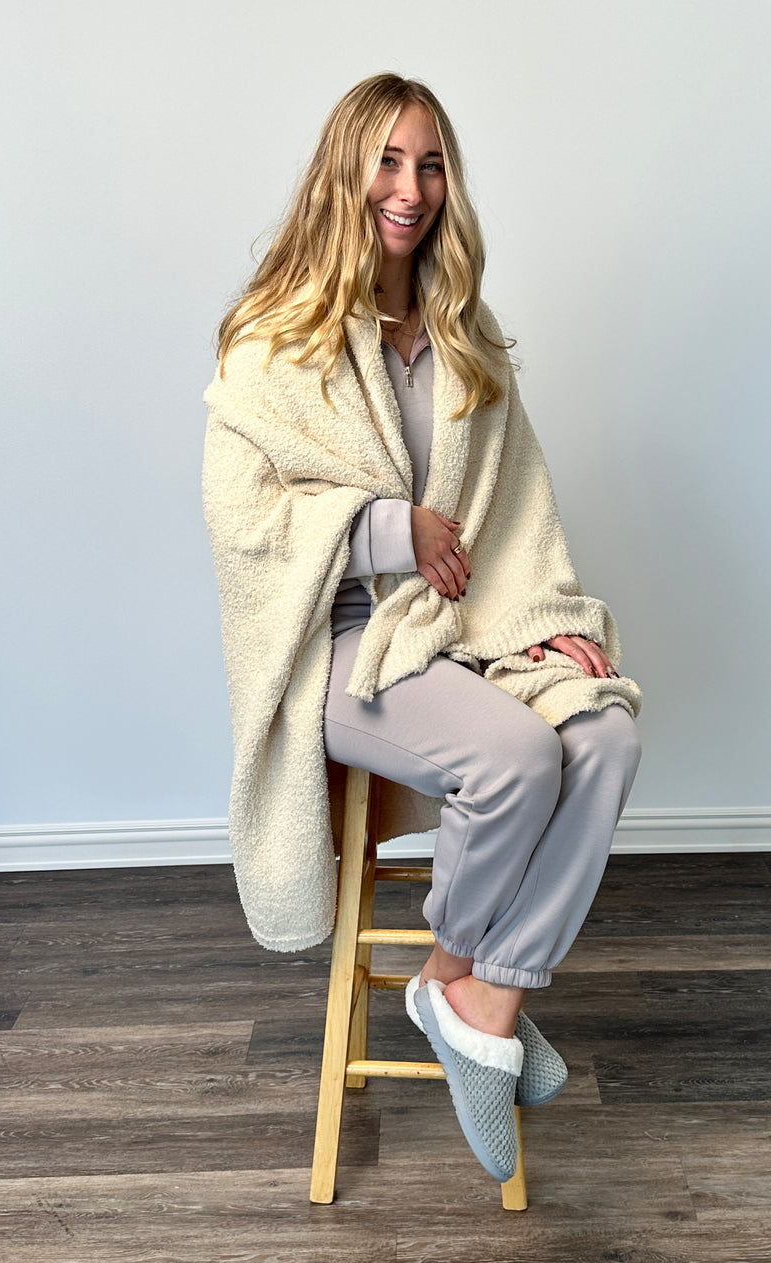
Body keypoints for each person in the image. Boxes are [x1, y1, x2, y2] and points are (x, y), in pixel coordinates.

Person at [203, 72, 642, 1184]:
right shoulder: (274, 336)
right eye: (390, 162)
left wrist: (543, 623)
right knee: (516, 756)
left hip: (459, 625)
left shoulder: (462, 332)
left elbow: (515, 514)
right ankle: (469, 998)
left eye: (431, 164)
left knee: (604, 734)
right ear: (344, 174)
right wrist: (388, 527)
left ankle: (475, 992)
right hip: (341, 645)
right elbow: (244, 522)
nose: (411, 188)